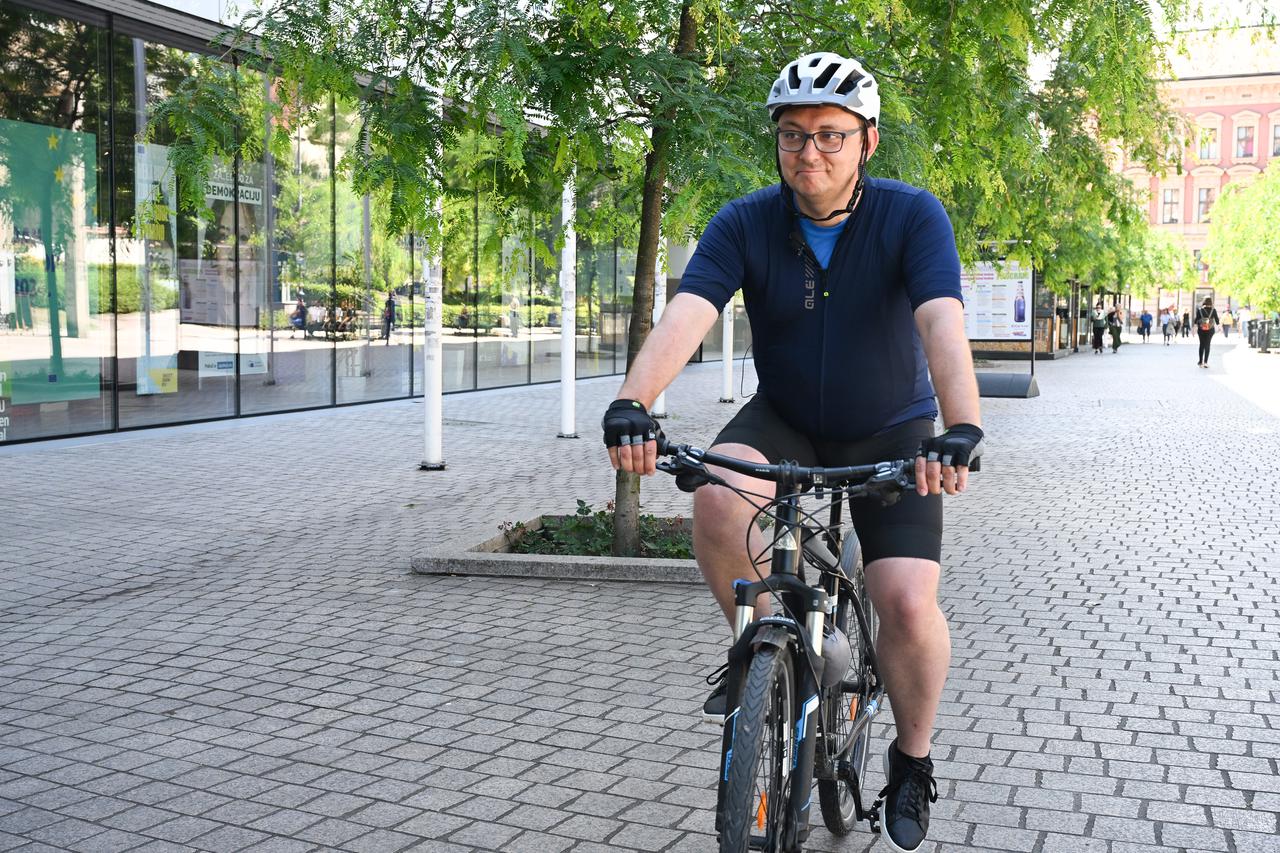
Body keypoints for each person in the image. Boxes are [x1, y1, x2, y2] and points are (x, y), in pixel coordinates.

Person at [601, 53, 982, 853]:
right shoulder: (745, 222)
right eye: (792, 136)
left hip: (894, 425)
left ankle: (913, 760)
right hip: (785, 417)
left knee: (907, 601)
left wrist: (961, 424)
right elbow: (688, 314)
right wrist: (634, 401)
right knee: (715, 497)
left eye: (830, 136)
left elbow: (942, 321)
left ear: (868, 141)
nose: (810, 153)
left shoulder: (912, 217)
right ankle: (766, 645)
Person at [1194, 297, 1220, 368]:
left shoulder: (1200, 310)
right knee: (1207, 344)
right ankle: (1205, 362)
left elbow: (1196, 321)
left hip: (1201, 329)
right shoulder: (1213, 310)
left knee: (1201, 344)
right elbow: (1217, 321)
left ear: (1204, 302)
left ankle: (1200, 362)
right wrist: (1220, 328)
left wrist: (1194, 329)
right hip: (1210, 330)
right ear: (1211, 302)